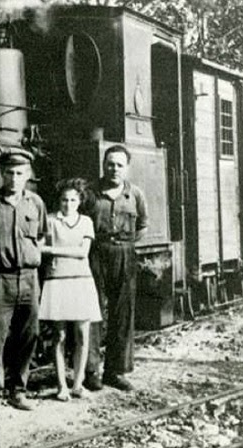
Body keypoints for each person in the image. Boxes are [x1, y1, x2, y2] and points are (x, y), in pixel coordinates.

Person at [0, 148, 48, 416]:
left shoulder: (36, 203)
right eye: (9, 173)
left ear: (27, 175)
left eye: (19, 173)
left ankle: (19, 391)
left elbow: (41, 237)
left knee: (29, 335)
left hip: (28, 278)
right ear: (1, 174)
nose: (14, 178)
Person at [82, 145, 148, 392]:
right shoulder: (90, 194)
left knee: (122, 313)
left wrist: (125, 245)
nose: (114, 169)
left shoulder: (136, 195)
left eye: (119, 165)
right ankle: (91, 371)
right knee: (92, 311)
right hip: (95, 254)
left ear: (127, 168)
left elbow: (143, 225)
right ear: (103, 165)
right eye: (110, 164)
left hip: (124, 255)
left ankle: (115, 371)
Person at [39, 178, 102, 401]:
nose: (68, 204)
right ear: (59, 200)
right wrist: (62, 250)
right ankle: (61, 387)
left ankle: (78, 384)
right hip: (57, 280)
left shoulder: (86, 222)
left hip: (81, 281)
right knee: (59, 336)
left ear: (80, 201)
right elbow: (38, 247)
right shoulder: (49, 220)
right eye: (64, 200)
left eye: (73, 199)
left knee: (83, 335)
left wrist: (51, 250)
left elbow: (82, 253)